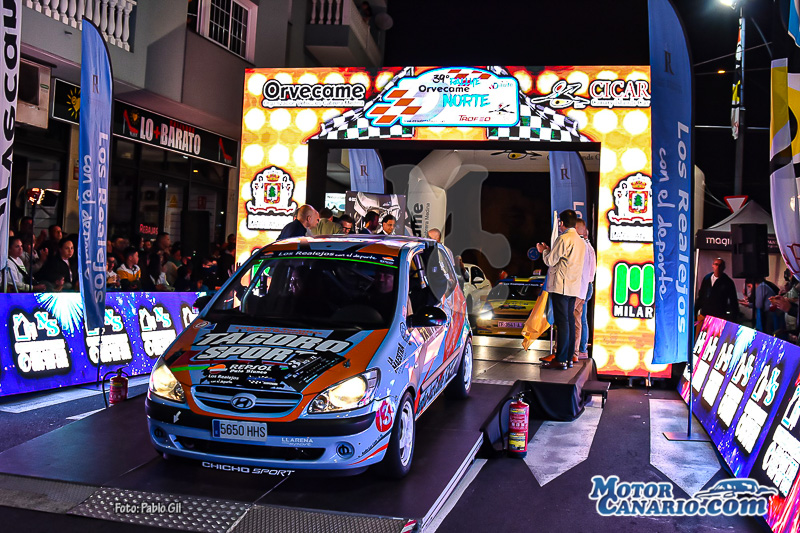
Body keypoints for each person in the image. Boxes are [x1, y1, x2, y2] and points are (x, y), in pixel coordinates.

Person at [536, 209, 585, 370]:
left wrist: (544, 251)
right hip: (573, 287)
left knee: (562, 323)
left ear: (562, 223)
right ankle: (569, 357)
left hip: (561, 286)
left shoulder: (564, 238)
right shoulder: (580, 241)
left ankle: (561, 358)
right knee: (569, 322)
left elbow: (550, 261)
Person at [573, 219, 596, 361]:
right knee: (581, 319)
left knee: (576, 319)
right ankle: (580, 350)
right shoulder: (589, 247)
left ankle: (578, 350)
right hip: (587, 284)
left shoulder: (582, 247)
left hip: (583, 285)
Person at [695, 258, 739, 324]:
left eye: (720, 265)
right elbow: (701, 296)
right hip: (704, 314)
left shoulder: (728, 282)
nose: (718, 267)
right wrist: (695, 311)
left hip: (718, 317)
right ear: (712, 265)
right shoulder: (707, 278)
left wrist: (733, 319)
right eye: (716, 264)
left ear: (723, 268)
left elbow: (733, 301)